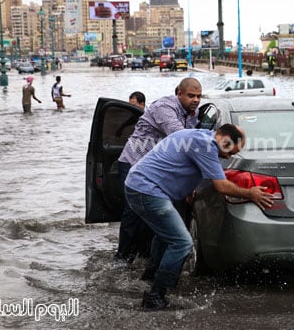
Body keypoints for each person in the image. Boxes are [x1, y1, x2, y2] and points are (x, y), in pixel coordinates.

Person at [124, 124, 274, 310]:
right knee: (182, 242)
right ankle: (155, 296)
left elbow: (185, 163)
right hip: (146, 190)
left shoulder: (202, 136)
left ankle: (150, 277)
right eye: (231, 152)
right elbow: (222, 186)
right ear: (225, 140)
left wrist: (190, 186)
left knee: (166, 235)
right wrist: (250, 193)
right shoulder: (205, 145)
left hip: (140, 185)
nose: (229, 157)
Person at [114, 77, 202, 269]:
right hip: (133, 163)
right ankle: (122, 259)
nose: (195, 100)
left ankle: (144, 256)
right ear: (179, 93)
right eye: (191, 96)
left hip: (154, 170)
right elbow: (181, 139)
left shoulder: (191, 113)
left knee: (151, 214)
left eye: (198, 96)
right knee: (134, 211)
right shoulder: (165, 107)